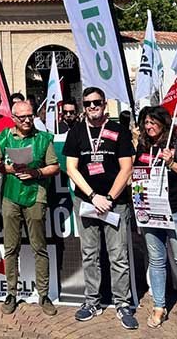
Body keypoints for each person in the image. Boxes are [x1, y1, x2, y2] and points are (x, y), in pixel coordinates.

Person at [62, 87, 138, 329]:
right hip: (86, 201)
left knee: (118, 256)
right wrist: (94, 196)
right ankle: (92, 301)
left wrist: (110, 197)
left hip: (115, 202)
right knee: (90, 254)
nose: (92, 106)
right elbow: (71, 168)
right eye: (87, 103)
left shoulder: (119, 130)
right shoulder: (76, 131)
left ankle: (122, 302)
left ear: (105, 104)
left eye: (96, 102)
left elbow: (126, 168)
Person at [134, 107, 177, 334]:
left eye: (153, 122)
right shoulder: (144, 146)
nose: (149, 126)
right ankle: (159, 306)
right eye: (146, 122)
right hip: (151, 211)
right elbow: (137, 174)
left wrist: (172, 163)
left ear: (164, 123)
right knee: (156, 260)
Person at [0, 101, 60, 316]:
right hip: (10, 196)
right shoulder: (4, 136)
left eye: (30, 116)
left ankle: (44, 294)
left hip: (36, 195)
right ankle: (11, 293)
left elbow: (55, 166)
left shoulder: (43, 138)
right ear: (14, 118)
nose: (27, 120)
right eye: (22, 117)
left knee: (39, 246)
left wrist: (36, 173)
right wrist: (6, 168)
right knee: (10, 248)